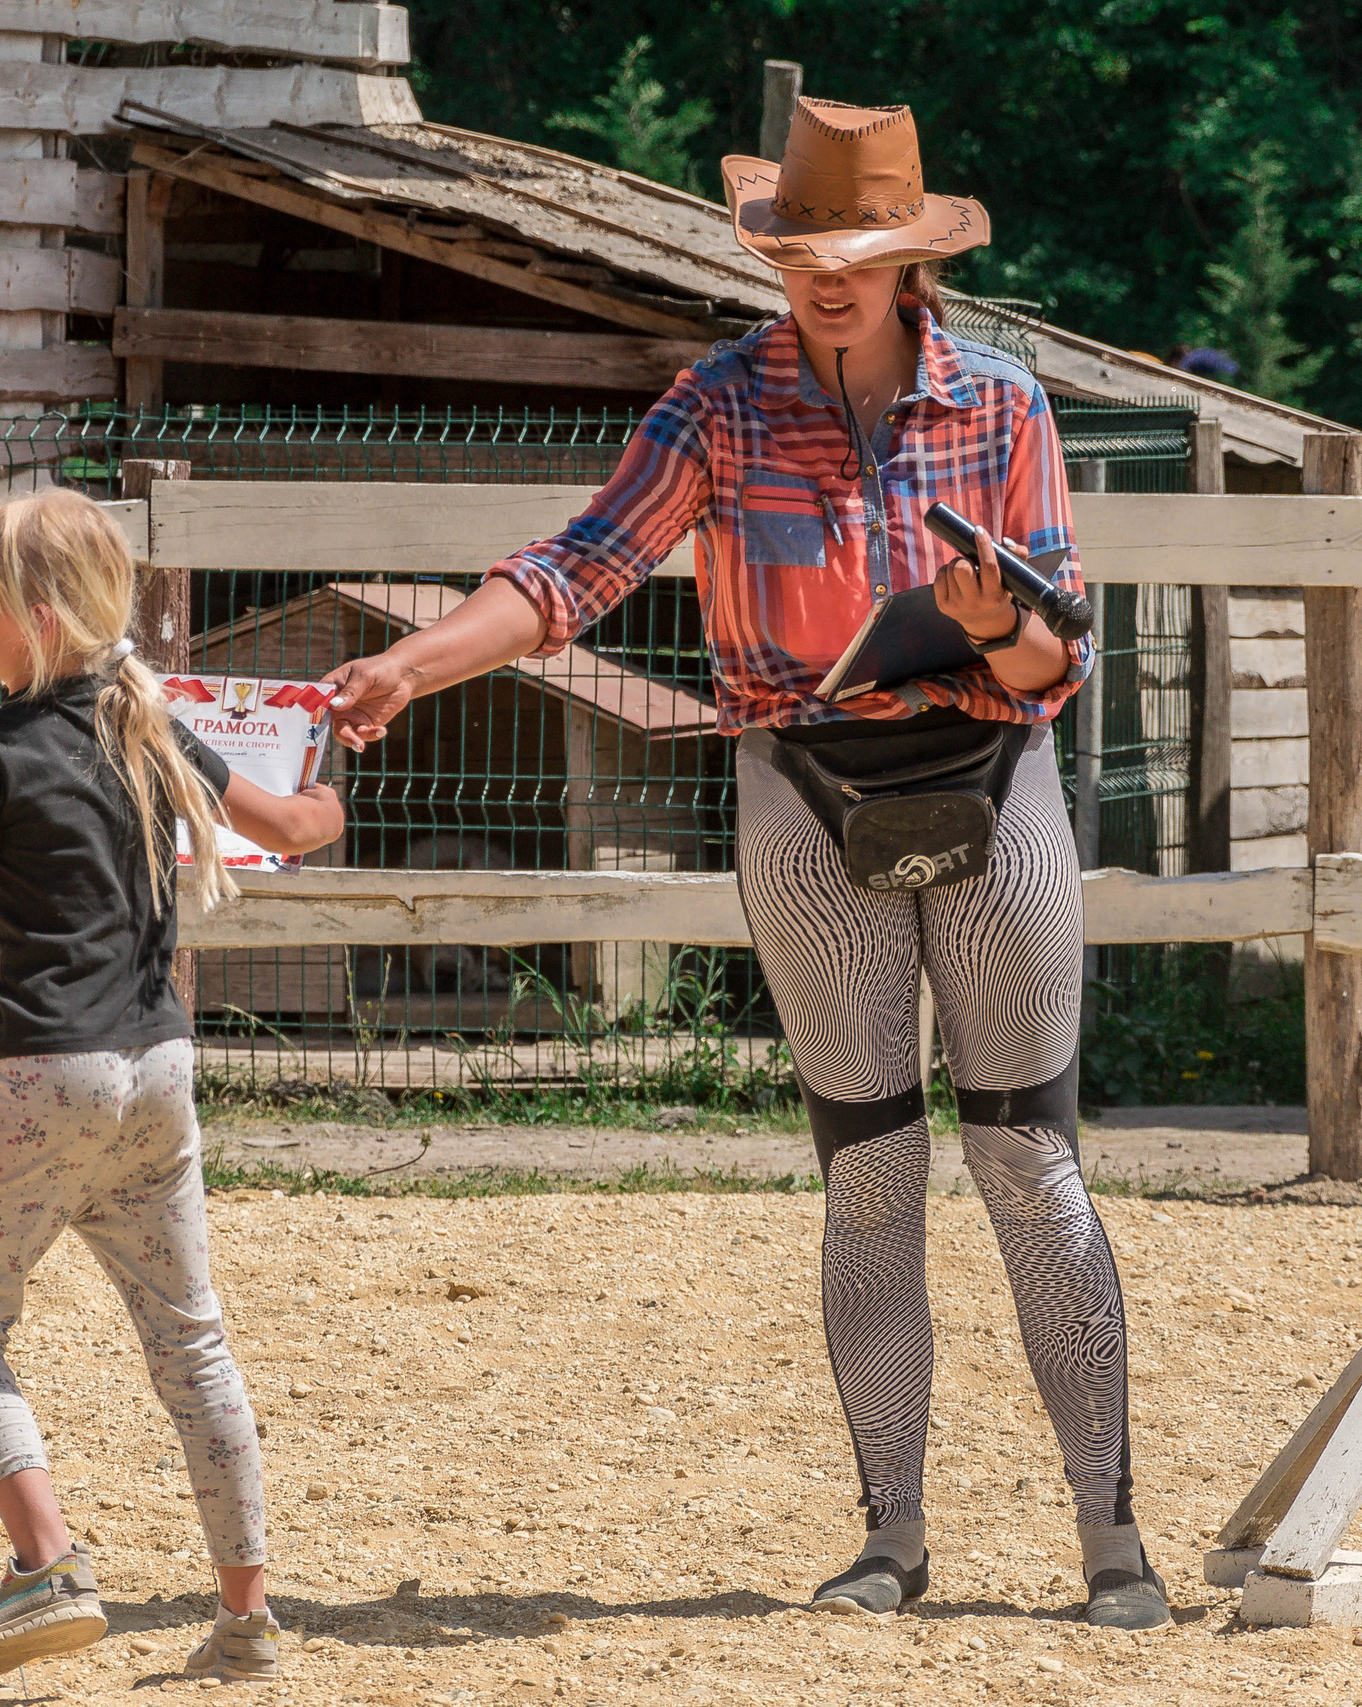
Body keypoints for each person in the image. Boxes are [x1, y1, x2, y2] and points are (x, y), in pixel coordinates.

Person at [321, 98, 1168, 1630]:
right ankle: (890, 1535)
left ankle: (1114, 1535)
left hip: (991, 769)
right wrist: (421, 663)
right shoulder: (717, 403)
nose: (820, 278)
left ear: (911, 262)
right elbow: (577, 567)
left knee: (1031, 1162)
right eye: (795, 253)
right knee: (870, 1175)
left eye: (848, 253)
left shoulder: (1006, 407)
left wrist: (988, 622)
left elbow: (1059, 656)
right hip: (802, 783)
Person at [0, 490, 344, 1684]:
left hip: (44, 1075)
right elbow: (297, 827)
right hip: (159, 1069)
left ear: (34, 619)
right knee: (191, 1344)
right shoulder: (149, 730)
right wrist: (337, 750)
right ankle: (246, 1618)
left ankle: (46, 1563)